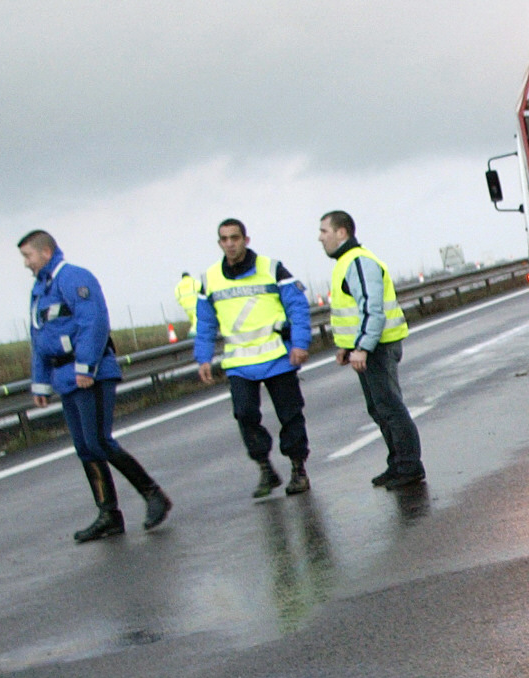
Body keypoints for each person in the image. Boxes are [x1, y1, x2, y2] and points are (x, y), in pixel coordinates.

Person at [20, 231, 172, 542]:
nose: (26, 264)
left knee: (99, 441)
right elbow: (39, 339)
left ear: (45, 252)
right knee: (84, 447)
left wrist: (86, 366)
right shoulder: (40, 290)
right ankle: (109, 515)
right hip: (65, 378)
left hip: (91, 373)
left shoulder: (74, 277)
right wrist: (40, 384)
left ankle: (154, 495)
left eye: (28, 256)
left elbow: (94, 322)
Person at [195, 218, 315, 496]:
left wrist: (299, 343)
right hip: (239, 363)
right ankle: (265, 467)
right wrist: (203, 358)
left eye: (234, 238)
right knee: (245, 415)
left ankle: (298, 469)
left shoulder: (272, 269)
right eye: (224, 239)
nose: (230, 244)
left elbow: (297, 306)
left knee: (290, 415)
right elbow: (204, 323)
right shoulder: (209, 279)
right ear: (219, 243)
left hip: (278, 357)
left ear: (246, 240)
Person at [319, 210, 423, 488]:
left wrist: (362, 347)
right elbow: (351, 311)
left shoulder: (359, 262)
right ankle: (398, 463)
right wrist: (344, 346)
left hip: (378, 346)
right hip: (367, 346)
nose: (320, 238)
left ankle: (409, 466)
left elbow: (372, 310)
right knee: (379, 408)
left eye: (324, 232)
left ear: (342, 232)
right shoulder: (345, 263)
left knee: (390, 407)